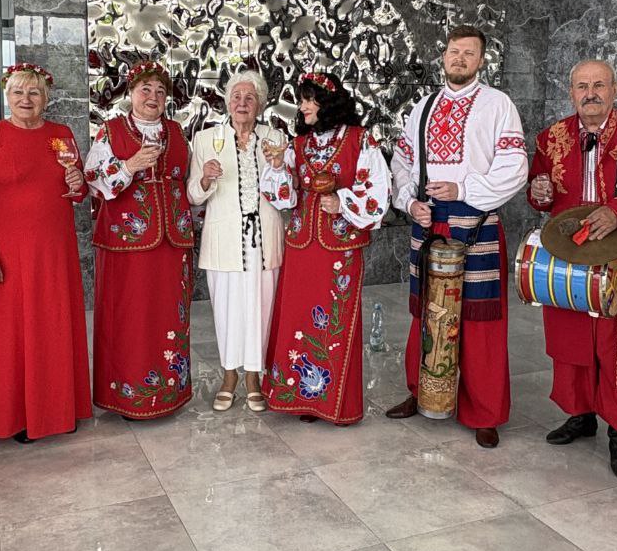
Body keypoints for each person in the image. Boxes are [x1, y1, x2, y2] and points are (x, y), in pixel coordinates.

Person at [528, 59, 617, 478]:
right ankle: (580, 415)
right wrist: (538, 192)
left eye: (598, 85)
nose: (589, 93)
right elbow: (540, 193)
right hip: (571, 253)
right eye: (581, 86)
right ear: (571, 92)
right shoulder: (551, 138)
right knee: (572, 337)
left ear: (615, 89)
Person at [385, 25, 528, 448]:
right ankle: (421, 391)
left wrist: (463, 189)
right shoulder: (423, 106)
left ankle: (484, 410)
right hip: (429, 219)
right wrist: (410, 201)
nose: (459, 58)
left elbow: (515, 168)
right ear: (443, 56)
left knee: (480, 318)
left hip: (476, 220)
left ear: (481, 60)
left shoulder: (498, 104)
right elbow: (402, 163)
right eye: (453, 51)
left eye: (469, 52)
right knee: (425, 310)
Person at [259, 71, 390, 424]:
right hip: (302, 245)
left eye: (309, 99)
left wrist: (342, 201)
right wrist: (277, 168)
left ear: (328, 102)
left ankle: (334, 404)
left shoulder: (360, 140)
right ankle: (303, 397)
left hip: (339, 246)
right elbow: (283, 198)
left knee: (335, 319)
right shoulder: (298, 144)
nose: (302, 106)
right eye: (301, 100)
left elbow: (378, 192)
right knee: (299, 317)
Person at [0, 62, 92, 443]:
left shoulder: (60, 135)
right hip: (8, 256)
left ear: (46, 98)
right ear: (7, 96)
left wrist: (77, 183)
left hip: (54, 253)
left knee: (53, 329)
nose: (26, 99)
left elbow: (77, 191)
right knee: (12, 337)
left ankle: (58, 411)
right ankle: (18, 417)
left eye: (34, 92)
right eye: (19, 92)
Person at [86, 60, 196, 419]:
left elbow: (187, 183)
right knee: (129, 316)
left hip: (172, 242)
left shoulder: (176, 132)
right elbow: (93, 180)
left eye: (161, 91)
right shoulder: (111, 131)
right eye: (146, 89)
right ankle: (127, 396)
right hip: (125, 243)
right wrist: (130, 166)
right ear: (131, 93)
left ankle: (168, 394)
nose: (154, 96)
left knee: (169, 315)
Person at [187, 70, 286, 413]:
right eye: (236, 97)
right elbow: (193, 195)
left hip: (264, 237)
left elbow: (287, 192)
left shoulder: (275, 137)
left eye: (250, 98)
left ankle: (254, 378)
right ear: (227, 102)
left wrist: (279, 167)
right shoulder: (205, 139)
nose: (242, 103)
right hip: (223, 238)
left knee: (261, 306)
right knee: (226, 309)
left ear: (260, 104)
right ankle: (229, 376)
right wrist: (205, 178)